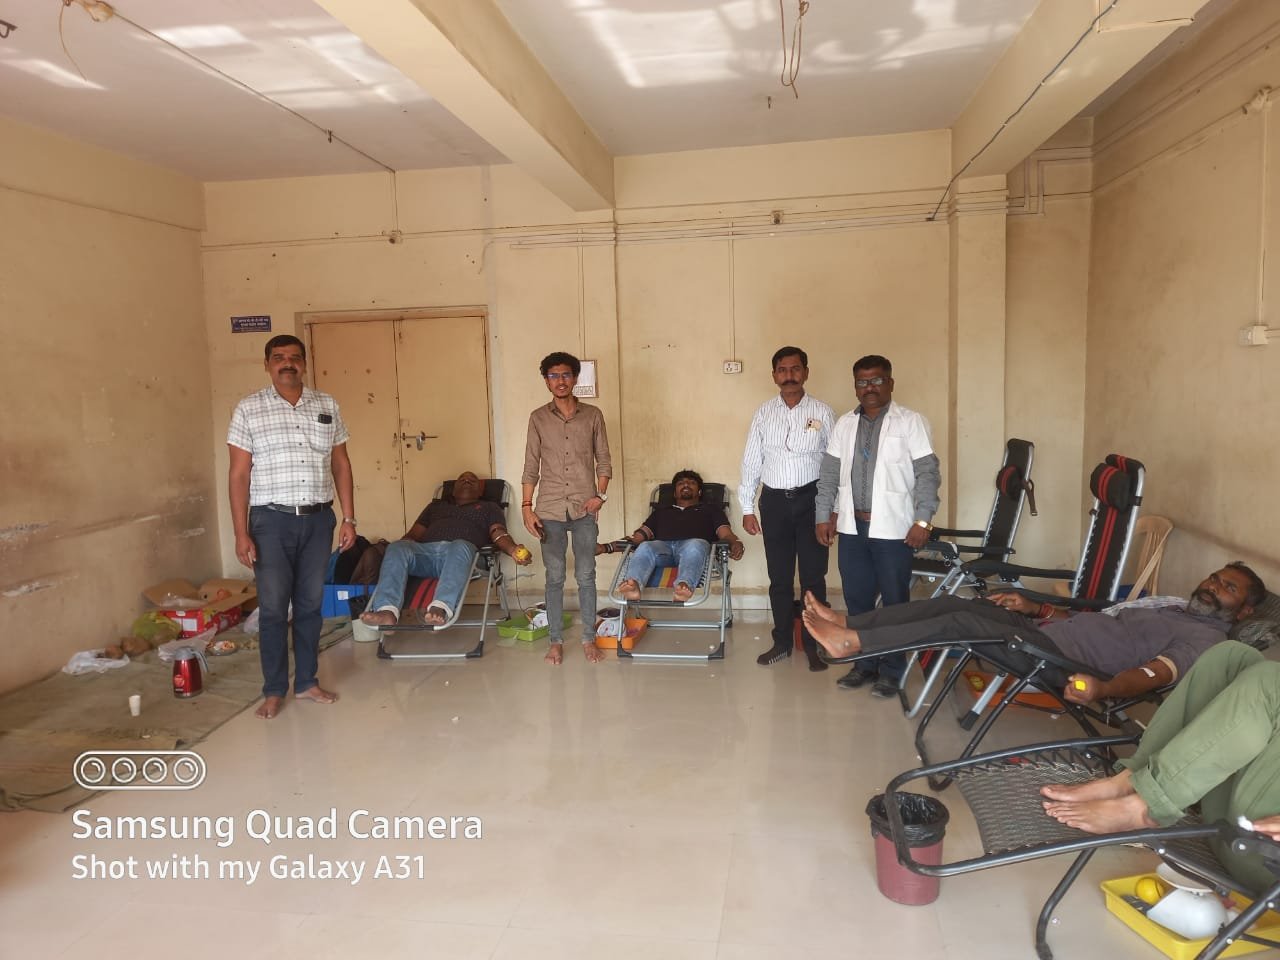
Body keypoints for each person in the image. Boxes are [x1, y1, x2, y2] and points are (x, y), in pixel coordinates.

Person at [801, 563, 1265, 705]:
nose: (1212, 586)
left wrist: (1103, 689)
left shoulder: (1208, 640)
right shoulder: (1171, 605)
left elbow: (1154, 675)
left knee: (959, 625)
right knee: (954, 604)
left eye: (1228, 588)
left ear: (1243, 611)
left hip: (1061, 662)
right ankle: (851, 623)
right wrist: (1037, 607)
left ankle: (853, 644)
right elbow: (1102, 620)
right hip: (1045, 632)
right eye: (1214, 578)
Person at [1041, 639, 1280, 892]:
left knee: (1273, 683)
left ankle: (1147, 807)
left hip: (1263, 851)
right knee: (1231, 658)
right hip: (1236, 821)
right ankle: (1132, 781)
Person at [228, 334, 356, 720]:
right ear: (267, 364)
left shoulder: (327, 404)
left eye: (295, 357)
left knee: (310, 606)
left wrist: (349, 517)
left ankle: (306, 682)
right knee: (272, 609)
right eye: (279, 357)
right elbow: (238, 475)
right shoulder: (249, 409)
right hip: (270, 521)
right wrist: (240, 532)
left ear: (304, 363)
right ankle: (273, 690)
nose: (288, 363)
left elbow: (341, 464)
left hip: (318, 520)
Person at [816, 354, 940, 699]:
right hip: (852, 528)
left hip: (894, 530)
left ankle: (893, 670)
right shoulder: (844, 424)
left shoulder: (911, 422)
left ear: (890, 383)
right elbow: (829, 474)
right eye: (862, 381)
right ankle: (864, 664)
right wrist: (823, 515)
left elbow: (928, 474)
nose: (869, 387)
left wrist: (923, 519)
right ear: (855, 386)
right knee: (858, 602)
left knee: (895, 603)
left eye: (876, 380)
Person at [738, 346, 835, 671]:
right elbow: (752, 462)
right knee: (779, 577)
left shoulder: (823, 412)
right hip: (775, 503)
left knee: (813, 577)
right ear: (774, 376)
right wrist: (747, 507)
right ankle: (781, 641)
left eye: (795, 369)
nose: (789, 375)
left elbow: (835, 464)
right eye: (782, 370)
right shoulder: (764, 413)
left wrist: (831, 511)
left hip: (812, 502)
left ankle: (814, 643)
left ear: (806, 372)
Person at [522, 351, 613, 666]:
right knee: (555, 576)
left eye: (565, 375)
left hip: (584, 508)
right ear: (546, 380)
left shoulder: (593, 415)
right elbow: (531, 465)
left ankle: (588, 639)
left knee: (586, 574)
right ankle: (556, 641)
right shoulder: (538, 418)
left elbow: (604, 460)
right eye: (553, 376)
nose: (560, 381)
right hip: (548, 509)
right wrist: (527, 507)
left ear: (575, 378)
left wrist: (600, 496)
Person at [358, 472, 532, 628]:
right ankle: (387, 611)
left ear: (480, 492)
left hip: (465, 556)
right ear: (453, 491)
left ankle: (441, 607)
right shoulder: (435, 507)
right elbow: (413, 535)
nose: (467, 481)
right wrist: (394, 552)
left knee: (460, 545)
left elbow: (498, 533)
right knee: (397, 546)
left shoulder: (489, 507)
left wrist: (513, 549)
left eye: (472, 480)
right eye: (462, 479)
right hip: (426, 555)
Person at [615, 470, 746, 602]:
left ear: (700, 492)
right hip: (663, 551)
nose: (686, 485)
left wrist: (735, 543)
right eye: (681, 483)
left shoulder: (711, 510)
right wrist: (608, 547)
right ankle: (633, 585)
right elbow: (638, 537)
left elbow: (726, 534)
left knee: (695, 544)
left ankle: (684, 585)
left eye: (692, 483)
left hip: (694, 550)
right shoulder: (661, 512)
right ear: (674, 493)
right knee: (645, 546)